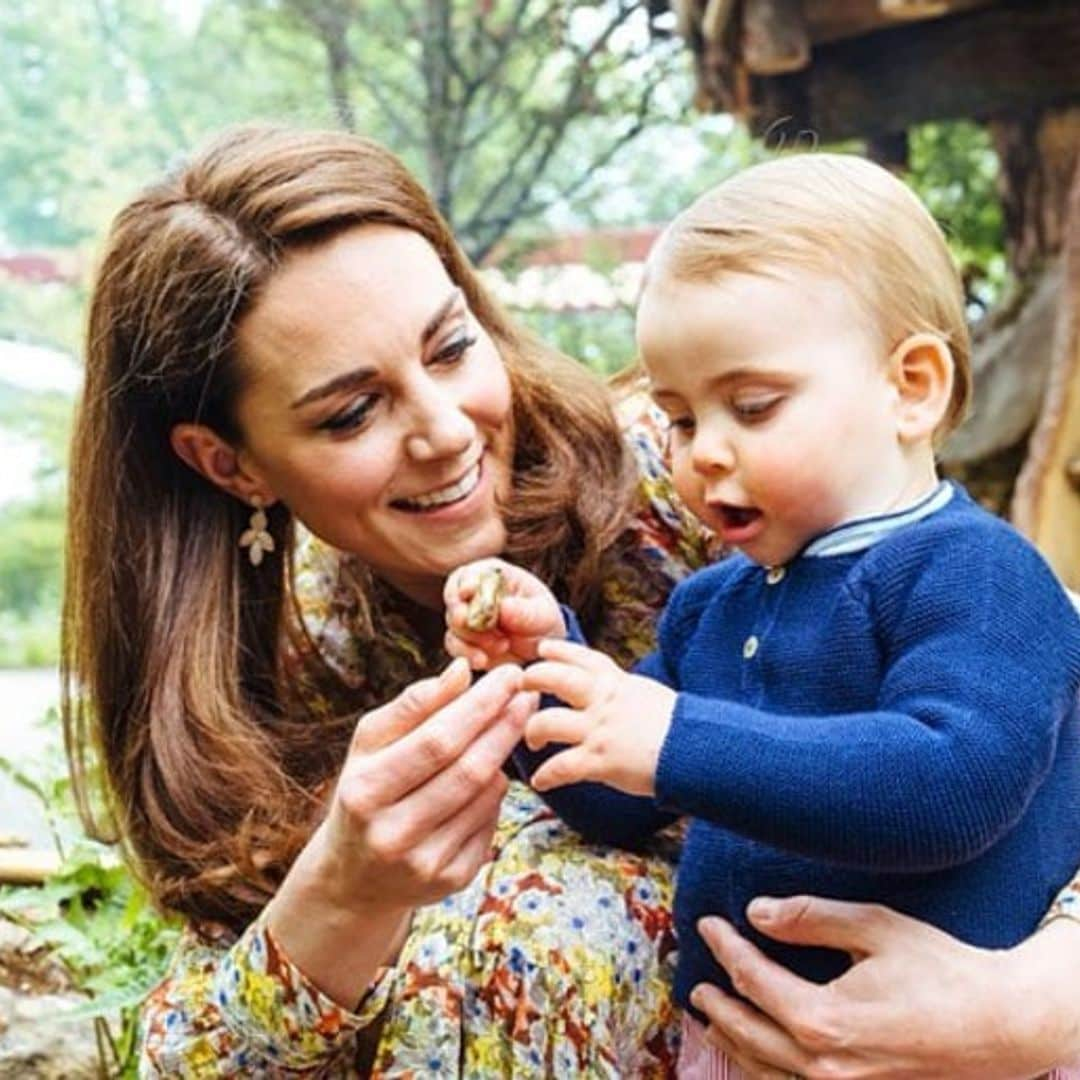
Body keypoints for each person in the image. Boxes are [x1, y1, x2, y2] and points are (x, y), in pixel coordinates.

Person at [444, 153, 1080, 1079]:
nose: (703, 454)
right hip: (738, 1046)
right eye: (681, 418)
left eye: (751, 405)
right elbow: (611, 798)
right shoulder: (713, 605)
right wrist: (538, 666)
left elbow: (956, 784)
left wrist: (675, 738)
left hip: (951, 1052)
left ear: (912, 387)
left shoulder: (976, 574)